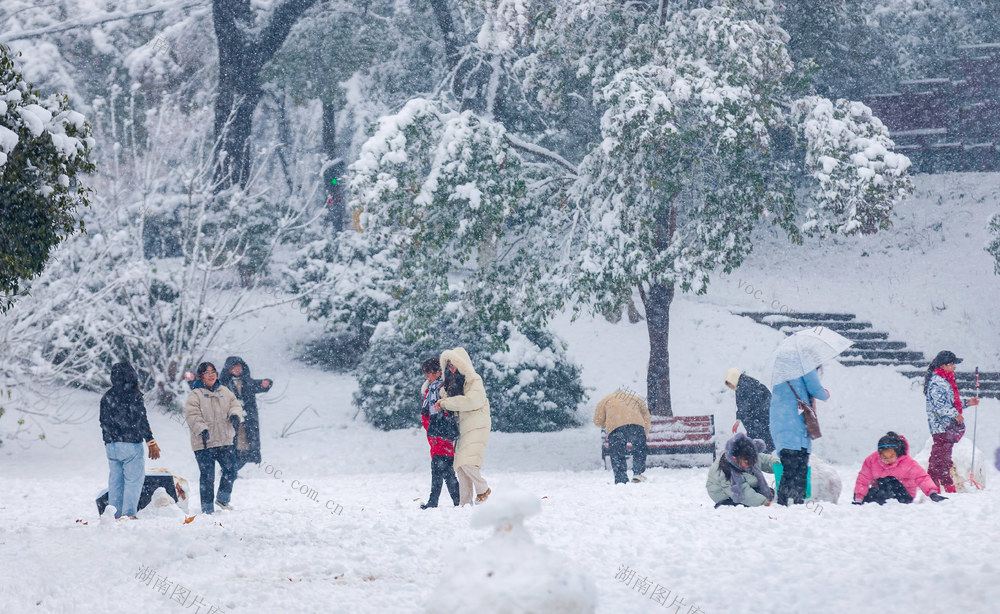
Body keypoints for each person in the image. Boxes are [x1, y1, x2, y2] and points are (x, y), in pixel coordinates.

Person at [99, 362, 161, 519]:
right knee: (133, 481)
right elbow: (141, 419)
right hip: (131, 444)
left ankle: (114, 514)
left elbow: (103, 421)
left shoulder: (106, 396)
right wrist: (150, 441)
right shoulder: (133, 395)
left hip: (112, 445)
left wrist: (108, 441)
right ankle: (128, 514)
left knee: (115, 482)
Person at [184, 362, 244, 514]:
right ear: (200, 376)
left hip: (224, 440)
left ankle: (223, 499)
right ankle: (207, 508)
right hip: (204, 442)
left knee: (231, 470)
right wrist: (201, 428)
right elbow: (192, 415)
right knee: (207, 476)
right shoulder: (195, 394)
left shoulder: (225, 391)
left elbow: (235, 405)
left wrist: (235, 415)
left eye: (213, 372)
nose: (211, 375)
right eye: (207, 372)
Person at [435, 347, 491, 506]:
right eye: (449, 366)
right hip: (461, 428)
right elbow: (454, 403)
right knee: (460, 466)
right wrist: (443, 397)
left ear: (462, 364)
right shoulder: (454, 383)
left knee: (467, 461)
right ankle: (465, 503)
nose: (451, 368)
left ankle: (483, 489)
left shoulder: (474, 380)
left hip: (477, 426)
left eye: (454, 364)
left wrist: (445, 403)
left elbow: (471, 401)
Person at [769, 368, 829, 505]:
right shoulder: (803, 366)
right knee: (800, 470)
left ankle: (783, 502)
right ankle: (797, 502)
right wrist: (825, 394)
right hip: (796, 429)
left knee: (788, 469)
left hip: (781, 429)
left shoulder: (779, 372)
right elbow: (817, 390)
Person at [924, 350, 979, 493]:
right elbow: (939, 406)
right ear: (943, 365)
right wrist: (955, 415)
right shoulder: (937, 382)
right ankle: (934, 486)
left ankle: (943, 484)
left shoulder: (945, 380)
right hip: (940, 426)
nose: (954, 367)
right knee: (939, 458)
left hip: (947, 426)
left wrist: (967, 403)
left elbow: (950, 402)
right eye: (952, 364)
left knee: (944, 458)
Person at [853, 431, 946, 504]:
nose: (888, 460)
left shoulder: (908, 463)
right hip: (882, 491)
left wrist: (932, 493)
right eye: (884, 457)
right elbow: (863, 479)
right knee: (866, 494)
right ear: (879, 454)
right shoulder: (872, 461)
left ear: (897, 453)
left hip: (904, 495)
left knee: (889, 480)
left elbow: (922, 477)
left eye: (891, 456)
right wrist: (859, 498)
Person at [419, 357, 460, 508]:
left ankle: (435, 501)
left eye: (429, 372)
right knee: (445, 470)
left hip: (443, 433)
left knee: (439, 467)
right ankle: (457, 501)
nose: (427, 376)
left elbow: (449, 407)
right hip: (434, 434)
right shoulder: (431, 389)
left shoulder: (443, 388)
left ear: (438, 372)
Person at [218, 356, 272, 470]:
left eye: (239, 366)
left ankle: (232, 470)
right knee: (229, 446)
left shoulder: (247, 382)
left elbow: (259, 385)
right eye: (234, 367)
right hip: (229, 420)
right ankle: (228, 470)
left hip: (246, 420)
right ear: (229, 368)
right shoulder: (222, 384)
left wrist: (266, 383)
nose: (238, 369)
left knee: (245, 447)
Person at [593, 389, 651, 485]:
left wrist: (606, 423)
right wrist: (645, 434)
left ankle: (621, 479)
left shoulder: (605, 400)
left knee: (617, 452)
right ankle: (637, 473)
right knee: (639, 449)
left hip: (615, 426)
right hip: (636, 424)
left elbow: (597, 420)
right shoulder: (635, 398)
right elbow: (646, 416)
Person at [706, 433, 778, 507]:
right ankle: (726, 504)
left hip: (744, 483)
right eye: (747, 462)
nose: (750, 464)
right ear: (735, 459)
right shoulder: (726, 470)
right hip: (724, 493)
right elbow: (743, 493)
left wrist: (778, 463)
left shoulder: (749, 455)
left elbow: (766, 460)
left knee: (768, 493)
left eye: (752, 461)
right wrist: (764, 502)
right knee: (745, 501)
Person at [725, 368, 775, 453]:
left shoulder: (744, 386)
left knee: (761, 447)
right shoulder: (743, 384)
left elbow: (745, 407)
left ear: (733, 378)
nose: (730, 387)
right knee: (762, 446)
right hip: (761, 419)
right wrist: (738, 421)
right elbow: (743, 406)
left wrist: (751, 429)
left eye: (730, 384)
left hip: (759, 420)